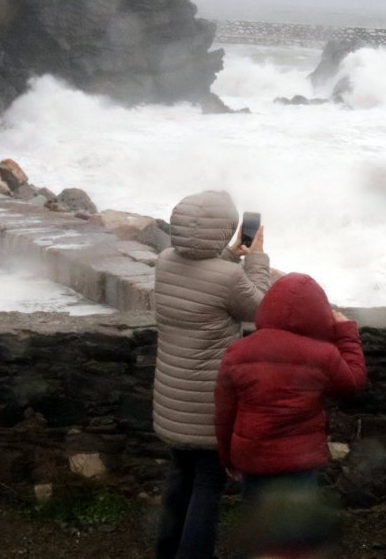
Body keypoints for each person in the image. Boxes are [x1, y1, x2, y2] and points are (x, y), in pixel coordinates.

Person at [152, 190, 271, 559]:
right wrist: (257, 258)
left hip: (172, 399)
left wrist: (231, 253)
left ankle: (167, 550)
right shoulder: (227, 280)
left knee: (181, 474)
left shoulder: (165, 261)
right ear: (222, 228)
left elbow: (202, 272)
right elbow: (263, 309)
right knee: (208, 482)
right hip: (207, 403)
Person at [214, 272, 367, 556]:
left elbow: (224, 414)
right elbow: (353, 382)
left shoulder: (237, 352)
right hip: (299, 463)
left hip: (252, 459)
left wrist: (227, 457)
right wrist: (347, 331)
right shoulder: (322, 355)